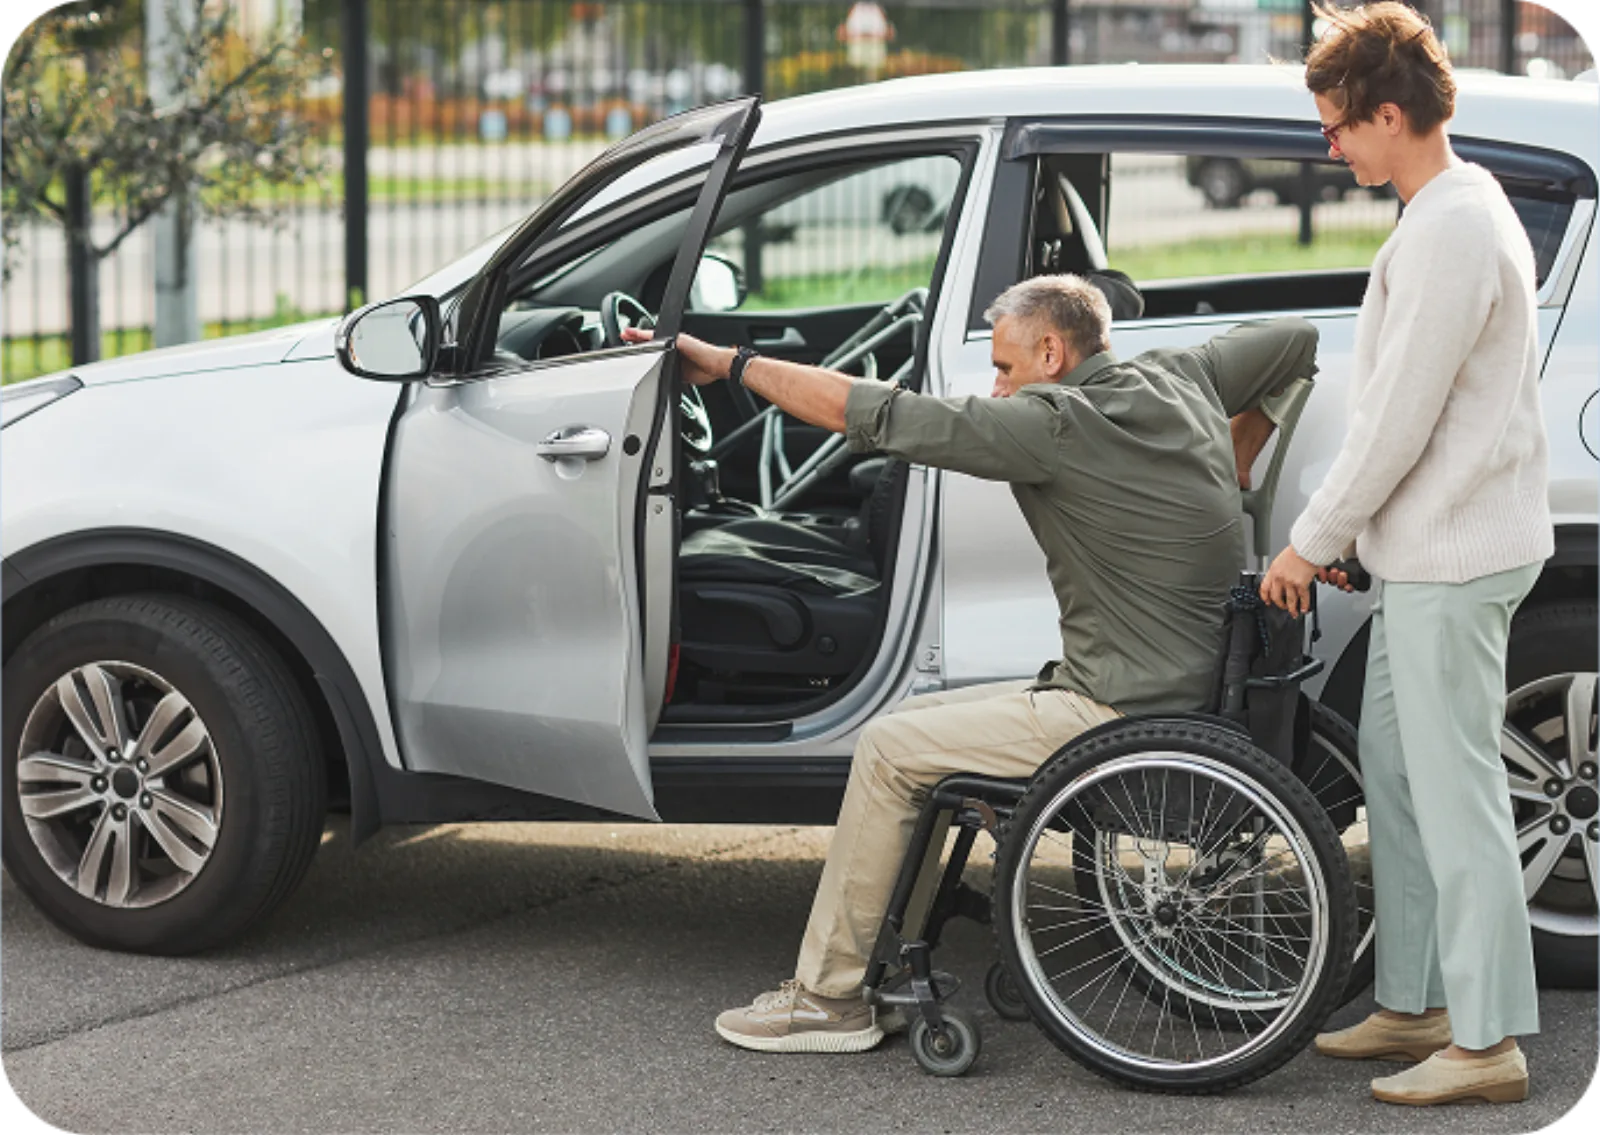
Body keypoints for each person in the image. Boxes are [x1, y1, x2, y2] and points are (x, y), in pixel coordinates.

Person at [629, 273, 1318, 1054]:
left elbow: (872, 414)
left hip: (1119, 707)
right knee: (911, 728)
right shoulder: (1181, 374)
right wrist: (1242, 447)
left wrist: (730, 365)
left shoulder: (1049, 423)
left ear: (1052, 353)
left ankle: (829, 999)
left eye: (1004, 366)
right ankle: (875, 956)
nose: (995, 384)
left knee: (888, 748)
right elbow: (1298, 340)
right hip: (1193, 683)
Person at [1259, 2, 1552, 1108]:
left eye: (1338, 127)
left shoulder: (1449, 228)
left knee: (1455, 788)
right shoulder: (1447, 211)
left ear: (1390, 113)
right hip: (1427, 548)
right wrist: (1360, 539)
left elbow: (1398, 421)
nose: (1330, 148)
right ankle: (1418, 999)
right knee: (1397, 769)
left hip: (1452, 556)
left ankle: (1486, 1044)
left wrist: (1310, 540)